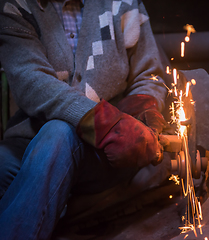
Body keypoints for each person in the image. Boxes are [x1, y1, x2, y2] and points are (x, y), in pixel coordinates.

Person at [0, 0, 169, 238]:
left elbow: (149, 76)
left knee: (58, 133)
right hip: (30, 140)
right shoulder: (16, 7)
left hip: (102, 153)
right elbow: (31, 82)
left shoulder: (123, 4)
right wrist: (104, 123)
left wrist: (142, 112)